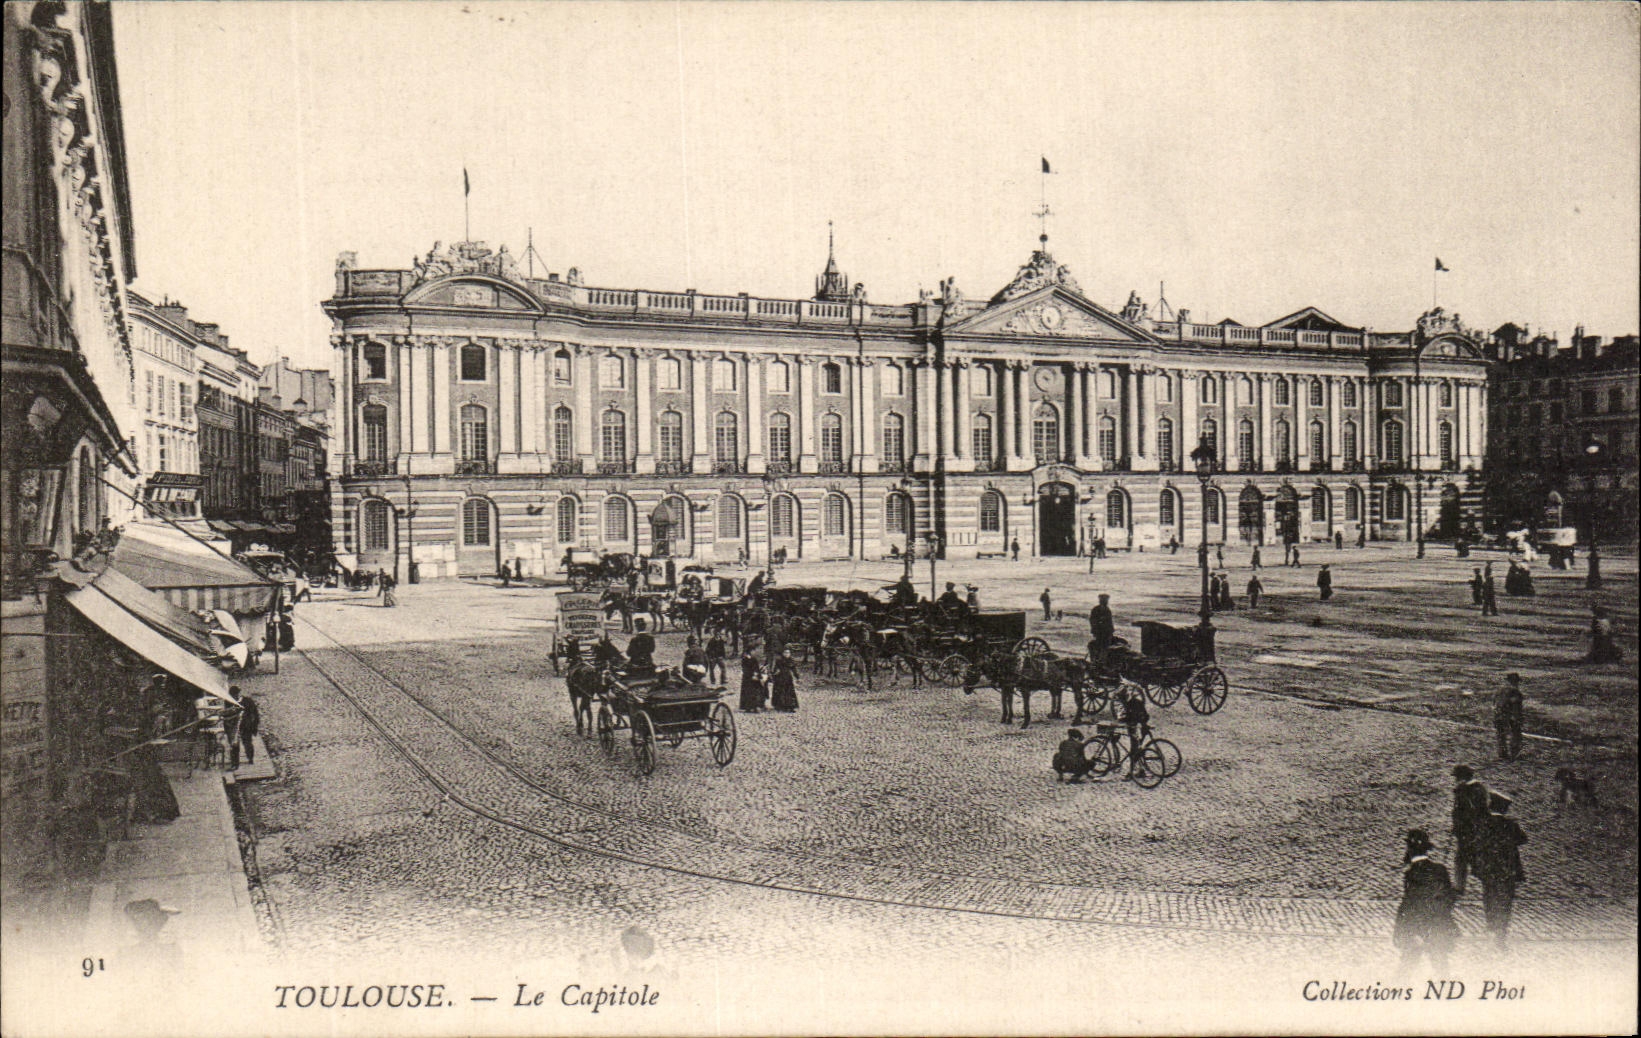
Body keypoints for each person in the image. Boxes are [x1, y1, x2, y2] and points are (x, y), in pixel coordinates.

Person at [1393, 829, 1459, 973]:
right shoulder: (1440, 869)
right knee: (1442, 970)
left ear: (1409, 850)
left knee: (1405, 970)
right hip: (1438, 928)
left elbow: (1411, 905)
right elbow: (1449, 898)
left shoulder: (1411, 873)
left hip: (1417, 929)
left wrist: (1406, 930)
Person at [1475, 792, 1527, 948]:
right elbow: (1523, 839)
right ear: (1504, 809)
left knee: (1489, 898)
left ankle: (1491, 928)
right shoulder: (1510, 825)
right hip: (1507, 871)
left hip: (1489, 870)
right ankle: (1500, 934)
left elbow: (1477, 843)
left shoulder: (1483, 823)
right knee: (1505, 901)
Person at [1450, 764, 1491, 895]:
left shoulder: (1476, 789)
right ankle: (1459, 887)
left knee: (1475, 859)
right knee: (1461, 858)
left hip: (1473, 830)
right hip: (1464, 831)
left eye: (1457, 777)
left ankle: (1488, 885)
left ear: (1463, 777)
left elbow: (1475, 810)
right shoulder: (1464, 789)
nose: (1456, 780)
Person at [1117, 686, 1150, 780]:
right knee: (1136, 749)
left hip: (1138, 729)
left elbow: (1139, 716)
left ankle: (1130, 773)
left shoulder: (1134, 703)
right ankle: (1141, 770)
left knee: (1133, 750)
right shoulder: (1130, 702)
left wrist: (1130, 721)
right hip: (1136, 728)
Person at [1494, 673, 1524, 761]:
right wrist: (1517, 718)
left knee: (1501, 735)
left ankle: (1502, 754)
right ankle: (1514, 755)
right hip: (1509, 717)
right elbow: (1516, 706)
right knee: (1515, 734)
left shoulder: (1499, 690)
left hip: (1498, 716)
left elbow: (1495, 703)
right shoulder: (1515, 692)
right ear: (1515, 682)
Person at [233, 691, 259, 769]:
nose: (234, 697)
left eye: (235, 695)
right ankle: (235, 763)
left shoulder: (248, 701)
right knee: (234, 744)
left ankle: (250, 758)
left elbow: (254, 714)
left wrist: (253, 726)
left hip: (246, 726)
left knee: (247, 743)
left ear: (238, 694)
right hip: (235, 726)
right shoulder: (229, 702)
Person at [1088, 594, 1115, 662]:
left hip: (1106, 632)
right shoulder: (1096, 609)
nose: (1106, 601)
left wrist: (1111, 630)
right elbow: (1092, 620)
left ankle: (1101, 660)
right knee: (1100, 646)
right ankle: (1098, 660)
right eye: (1104, 600)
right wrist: (1095, 629)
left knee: (1105, 647)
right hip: (1099, 632)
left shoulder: (1107, 610)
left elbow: (1110, 621)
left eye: (1106, 600)